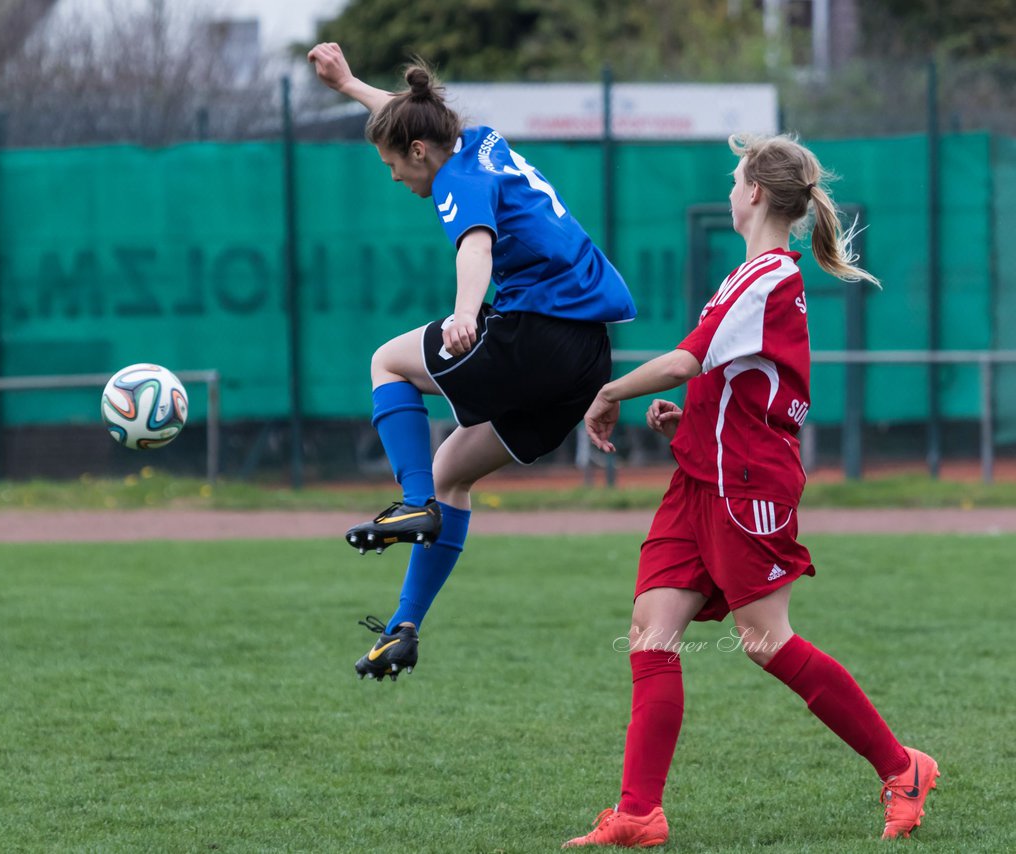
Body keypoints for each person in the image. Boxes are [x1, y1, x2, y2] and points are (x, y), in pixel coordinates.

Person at [567, 134, 937, 846]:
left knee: (766, 641)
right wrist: (695, 411)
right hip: (701, 476)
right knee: (650, 633)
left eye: (737, 179)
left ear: (757, 194)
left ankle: (902, 768)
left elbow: (684, 359)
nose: (732, 189)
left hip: (746, 487)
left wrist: (610, 388)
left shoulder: (768, 275)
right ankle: (639, 813)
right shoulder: (749, 277)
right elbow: (728, 374)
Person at [307, 42, 637, 681]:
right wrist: (350, 85)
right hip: (586, 355)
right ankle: (403, 629)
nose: (394, 175)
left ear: (420, 154)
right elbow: (408, 117)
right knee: (452, 470)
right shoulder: (473, 139)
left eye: (392, 164)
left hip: (538, 332)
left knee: (387, 362)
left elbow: (475, 248)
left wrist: (465, 313)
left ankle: (411, 502)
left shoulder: (453, 178)